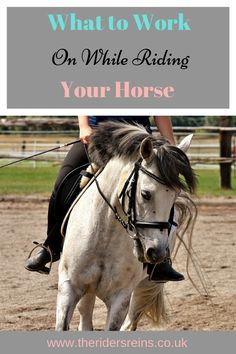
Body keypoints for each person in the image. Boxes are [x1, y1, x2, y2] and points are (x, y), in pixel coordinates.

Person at [25, 116, 184, 282]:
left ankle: (160, 261)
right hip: (99, 135)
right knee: (62, 184)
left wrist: (169, 140)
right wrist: (84, 126)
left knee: (162, 188)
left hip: (139, 139)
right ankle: (51, 246)